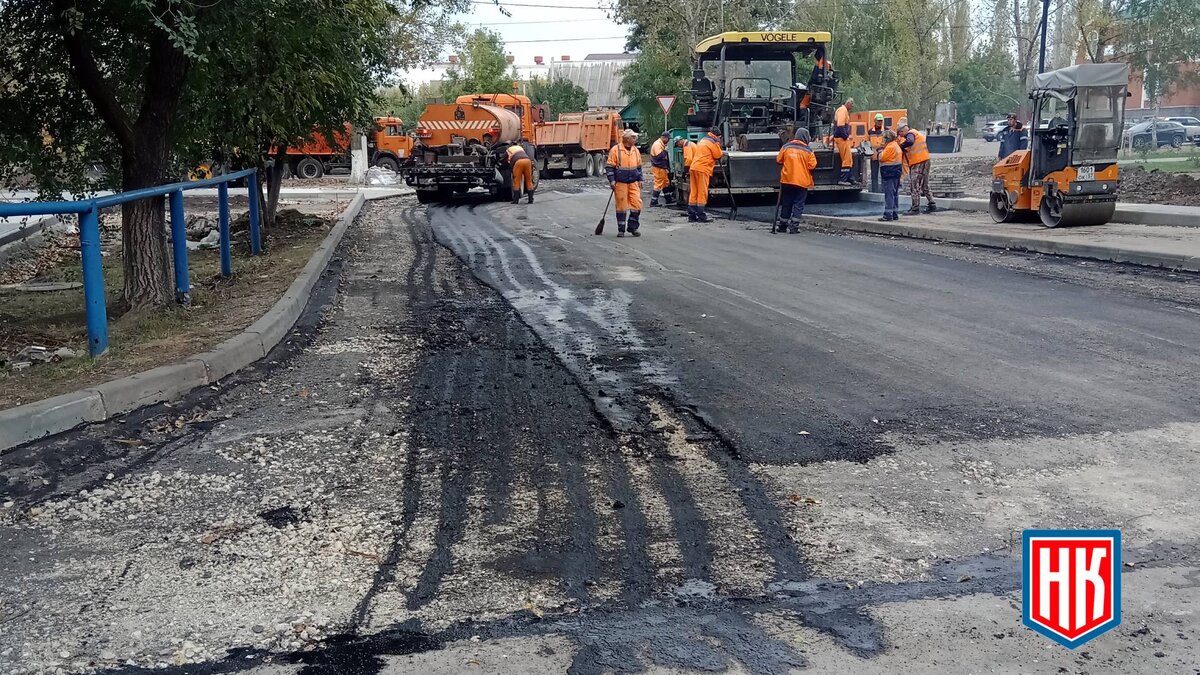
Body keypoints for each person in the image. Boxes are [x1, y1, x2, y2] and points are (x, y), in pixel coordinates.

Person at [775, 128, 818, 233]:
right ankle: (794, 227)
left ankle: (782, 226)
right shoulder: (808, 151)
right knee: (798, 204)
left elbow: (778, 160)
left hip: (787, 180)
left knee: (786, 203)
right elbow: (812, 165)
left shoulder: (786, 147)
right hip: (801, 182)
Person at [606, 129, 644, 237]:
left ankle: (632, 228)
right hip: (620, 183)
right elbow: (609, 167)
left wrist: (640, 179)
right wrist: (612, 180)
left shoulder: (636, 150)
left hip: (633, 182)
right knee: (621, 206)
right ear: (627, 139)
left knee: (637, 204)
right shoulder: (615, 150)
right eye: (633, 137)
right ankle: (621, 229)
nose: (635, 139)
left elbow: (639, 167)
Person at [897, 123, 936, 214]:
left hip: (918, 162)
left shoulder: (910, 134)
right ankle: (932, 203)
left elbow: (910, 141)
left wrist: (900, 146)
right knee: (924, 184)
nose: (901, 136)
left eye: (900, 133)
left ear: (904, 130)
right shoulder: (915, 133)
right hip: (925, 160)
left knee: (914, 185)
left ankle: (915, 208)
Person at [687, 128, 723, 223]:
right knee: (702, 192)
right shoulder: (713, 143)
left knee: (694, 191)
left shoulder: (703, 140)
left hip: (694, 167)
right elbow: (718, 155)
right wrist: (718, 145)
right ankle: (701, 215)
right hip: (703, 169)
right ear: (717, 135)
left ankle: (691, 215)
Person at [878, 129, 904, 221]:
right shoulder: (896, 145)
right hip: (896, 173)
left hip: (889, 173)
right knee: (895, 194)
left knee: (889, 195)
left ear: (887, 138)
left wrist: (880, 149)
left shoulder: (889, 147)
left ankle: (888, 214)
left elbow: (881, 157)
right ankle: (894, 213)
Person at [504, 137, 535, 205]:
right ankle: (531, 200)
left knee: (516, 181)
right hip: (527, 161)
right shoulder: (520, 148)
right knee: (529, 180)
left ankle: (516, 200)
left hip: (518, 163)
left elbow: (503, 158)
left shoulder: (508, 150)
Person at [833, 98, 855, 185]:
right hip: (841, 138)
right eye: (852, 104)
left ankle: (850, 178)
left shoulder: (843, 110)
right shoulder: (843, 110)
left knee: (848, 159)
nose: (852, 106)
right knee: (846, 159)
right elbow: (840, 125)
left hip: (841, 138)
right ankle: (843, 179)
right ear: (848, 103)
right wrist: (845, 136)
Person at [648, 131, 673, 207]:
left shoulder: (660, 144)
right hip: (658, 167)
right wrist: (665, 150)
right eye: (668, 139)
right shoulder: (657, 144)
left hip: (661, 167)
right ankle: (654, 201)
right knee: (659, 184)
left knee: (665, 182)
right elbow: (659, 156)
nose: (668, 141)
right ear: (664, 138)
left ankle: (668, 199)